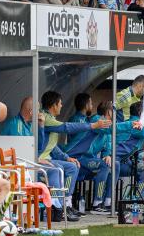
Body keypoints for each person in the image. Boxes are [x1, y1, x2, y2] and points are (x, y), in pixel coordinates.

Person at [39, 91, 111, 221]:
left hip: (51, 159)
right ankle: (58, 207)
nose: (62, 106)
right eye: (60, 103)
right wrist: (93, 126)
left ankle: (66, 204)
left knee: (71, 166)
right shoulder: (46, 118)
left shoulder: (50, 118)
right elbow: (66, 127)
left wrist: (66, 157)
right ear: (54, 105)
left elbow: (52, 146)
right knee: (58, 169)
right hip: (39, 161)